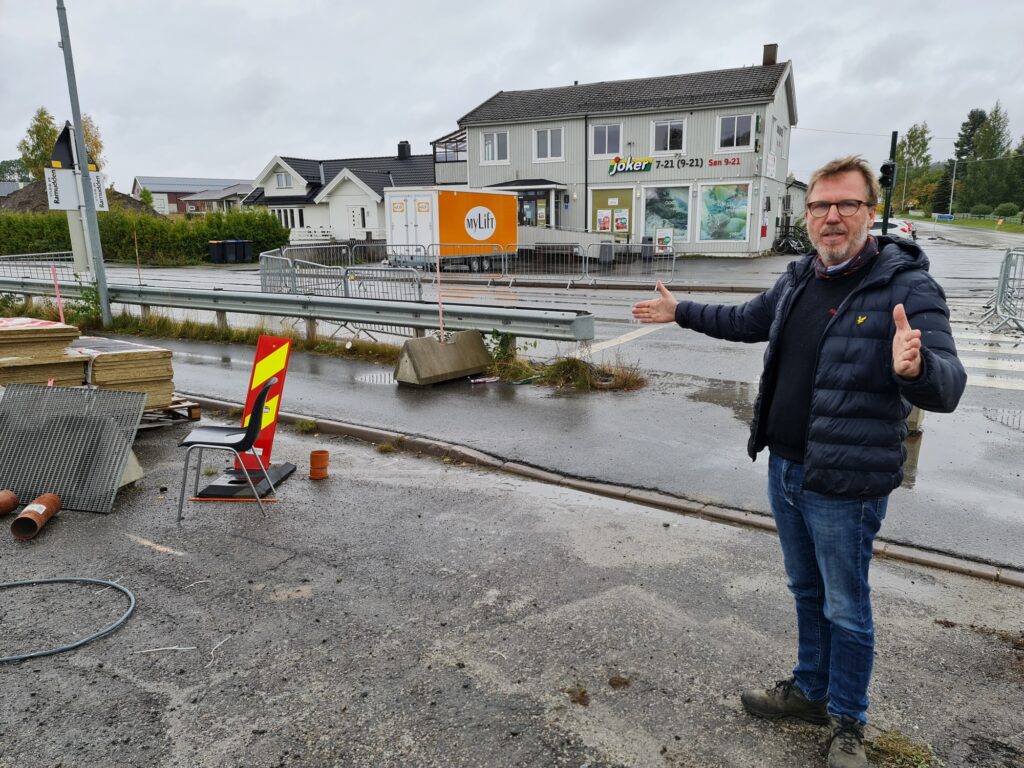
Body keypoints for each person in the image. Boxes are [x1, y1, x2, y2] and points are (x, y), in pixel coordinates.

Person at [631, 156, 966, 767]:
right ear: (807, 214)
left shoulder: (907, 288)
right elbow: (745, 321)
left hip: (846, 481)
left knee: (846, 604)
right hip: (785, 469)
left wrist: (915, 370)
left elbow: (947, 388)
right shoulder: (799, 278)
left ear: (869, 214)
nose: (832, 217)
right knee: (806, 590)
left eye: (846, 205)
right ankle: (810, 691)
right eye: (820, 206)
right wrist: (679, 311)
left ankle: (848, 722)